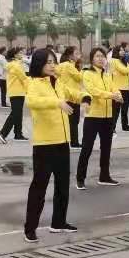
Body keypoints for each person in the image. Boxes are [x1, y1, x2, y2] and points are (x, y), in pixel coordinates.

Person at [23, 49, 84, 242]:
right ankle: (30, 228)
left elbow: (72, 93)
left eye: (53, 62)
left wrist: (85, 97)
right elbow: (32, 102)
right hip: (45, 144)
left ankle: (58, 222)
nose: (52, 65)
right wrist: (57, 102)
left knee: (63, 185)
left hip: (62, 142)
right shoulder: (34, 83)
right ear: (39, 63)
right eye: (48, 62)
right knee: (39, 187)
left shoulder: (57, 82)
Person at [75, 47, 123, 190]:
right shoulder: (87, 74)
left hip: (107, 117)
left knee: (106, 148)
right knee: (87, 148)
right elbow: (93, 91)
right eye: (97, 56)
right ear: (92, 59)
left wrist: (118, 95)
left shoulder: (107, 75)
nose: (101, 59)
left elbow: (114, 88)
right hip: (93, 116)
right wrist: (111, 95)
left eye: (102, 56)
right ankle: (80, 178)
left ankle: (104, 176)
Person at [0, 47, 29, 143]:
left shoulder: (14, 64)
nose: (22, 54)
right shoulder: (16, 65)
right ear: (15, 55)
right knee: (15, 113)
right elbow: (24, 78)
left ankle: (18, 134)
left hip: (16, 91)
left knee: (18, 113)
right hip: (17, 92)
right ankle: (3, 132)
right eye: (20, 52)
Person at [57, 46, 84, 149]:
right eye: (76, 54)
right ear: (70, 55)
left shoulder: (62, 65)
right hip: (72, 96)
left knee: (70, 121)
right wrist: (81, 68)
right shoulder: (69, 65)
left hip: (66, 96)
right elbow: (79, 77)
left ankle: (70, 141)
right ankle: (74, 142)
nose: (78, 56)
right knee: (73, 121)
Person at [109, 45, 129, 132]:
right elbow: (125, 71)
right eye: (121, 50)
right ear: (116, 51)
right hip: (118, 88)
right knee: (116, 110)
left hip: (126, 88)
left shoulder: (123, 61)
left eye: (123, 50)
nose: (123, 52)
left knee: (125, 109)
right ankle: (112, 127)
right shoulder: (114, 61)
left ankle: (125, 126)